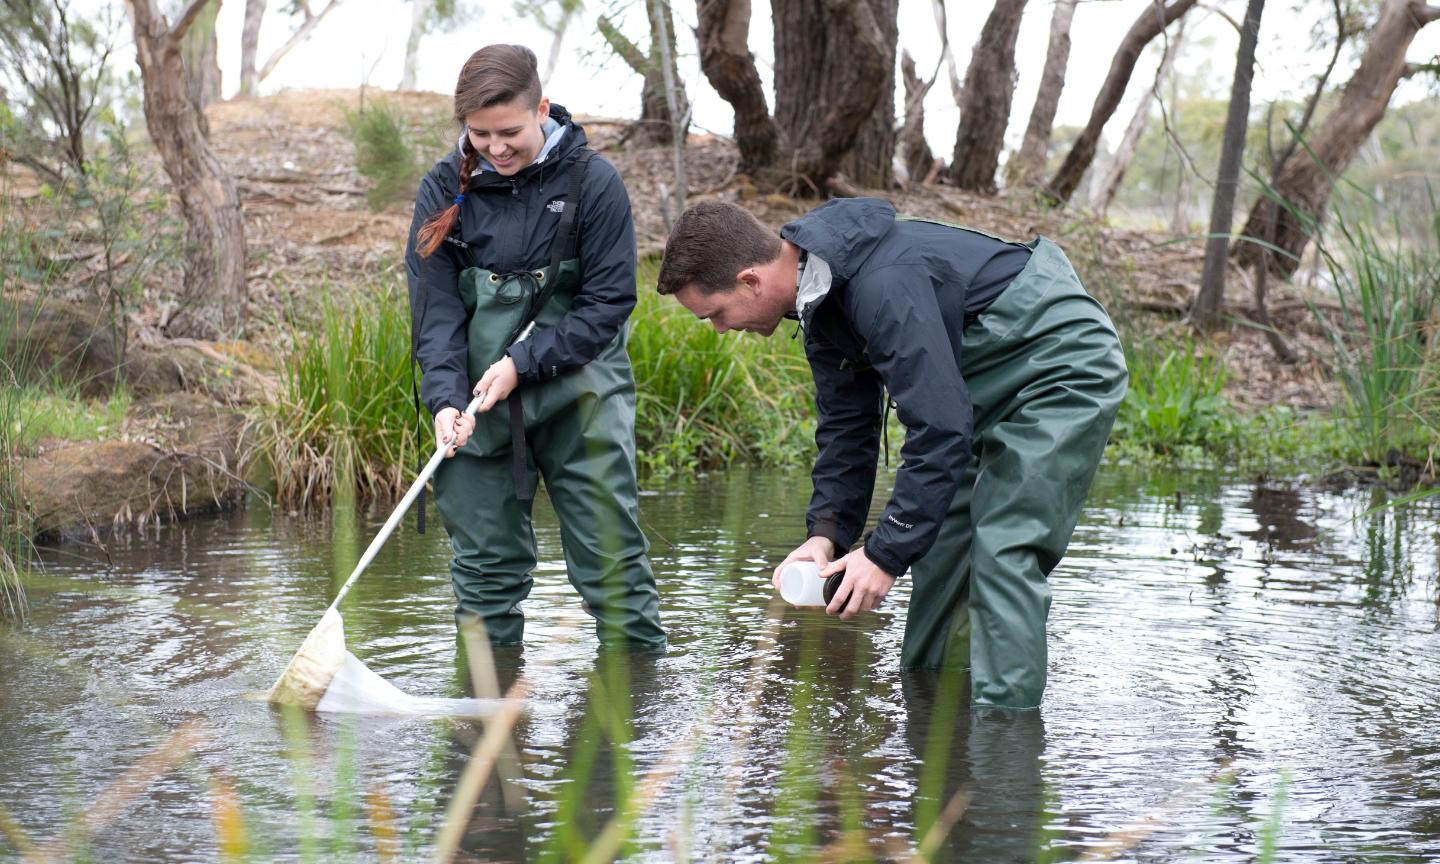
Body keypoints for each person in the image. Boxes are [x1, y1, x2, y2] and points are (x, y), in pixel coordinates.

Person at [655, 198, 1126, 708]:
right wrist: (826, 535)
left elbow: (940, 428)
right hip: (977, 389)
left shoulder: (882, 284)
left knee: (1004, 548)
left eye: (717, 315)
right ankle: (935, 719)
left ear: (750, 280)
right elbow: (846, 432)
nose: (722, 331)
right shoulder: (818, 300)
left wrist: (884, 554)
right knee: (943, 550)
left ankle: (1003, 749)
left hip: (1059, 364)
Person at [405, 44, 664, 652]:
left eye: (511, 132)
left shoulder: (594, 182)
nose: (496, 148)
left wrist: (523, 363)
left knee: (612, 568)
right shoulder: (442, 188)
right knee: (484, 578)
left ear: (541, 109)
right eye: (479, 134)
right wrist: (444, 399)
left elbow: (607, 305)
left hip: (581, 395)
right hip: (476, 409)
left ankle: (638, 724)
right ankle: (489, 728)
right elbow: (435, 313)